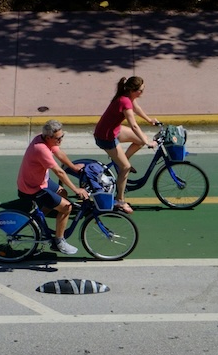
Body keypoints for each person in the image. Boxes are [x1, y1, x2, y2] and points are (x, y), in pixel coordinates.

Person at [17, 119, 90, 255]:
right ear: (49, 137)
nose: (61, 140)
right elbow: (59, 172)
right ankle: (59, 242)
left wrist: (74, 168)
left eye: (62, 136)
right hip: (33, 187)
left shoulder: (45, 139)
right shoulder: (41, 149)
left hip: (40, 181)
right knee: (66, 208)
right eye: (58, 138)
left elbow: (59, 153)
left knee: (62, 193)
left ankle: (39, 219)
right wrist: (76, 189)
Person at [93, 76, 158, 214]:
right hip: (106, 137)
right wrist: (148, 143)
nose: (143, 92)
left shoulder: (128, 97)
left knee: (140, 139)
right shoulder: (124, 101)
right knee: (126, 168)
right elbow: (133, 125)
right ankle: (119, 201)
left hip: (114, 130)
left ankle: (120, 160)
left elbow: (137, 108)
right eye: (141, 90)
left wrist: (148, 120)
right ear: (134, 91)